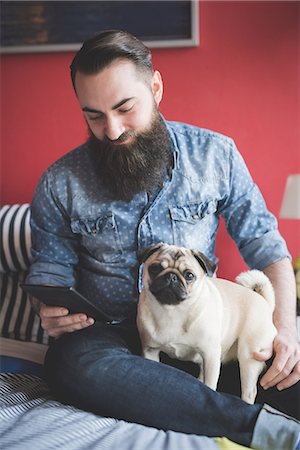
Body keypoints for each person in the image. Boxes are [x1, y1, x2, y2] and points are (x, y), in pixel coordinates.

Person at [27, 30, 300, 449]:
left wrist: (284, 329)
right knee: (67, 362)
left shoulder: (216, 155)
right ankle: (251, 424)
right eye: (94, 115)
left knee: (289, 367)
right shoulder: (60, 182)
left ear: (155, 87)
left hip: (205, 331)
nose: (112, 130)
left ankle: (184, 399)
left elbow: (268, 247)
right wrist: (49, 311)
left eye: (124, 108)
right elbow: (49, 273)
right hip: (111, 339)